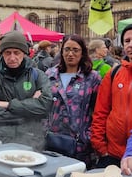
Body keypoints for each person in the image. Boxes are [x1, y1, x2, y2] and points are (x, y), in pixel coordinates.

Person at [0, 30, 52, 148]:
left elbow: (45, 107)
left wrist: (8, 105)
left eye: (16, 52)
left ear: (24, 53)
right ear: (2, 53)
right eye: (8, 53)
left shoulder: (38, 75)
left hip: (31, 141)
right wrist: (29, 111)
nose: (12, 57)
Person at [45, 34, 101, 167]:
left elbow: (99, 110)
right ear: (62, 51)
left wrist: (88, 135)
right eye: (67, 49)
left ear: (83, 53)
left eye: (75, 50)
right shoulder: (50, 75)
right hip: (52, 141)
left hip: (79, 145)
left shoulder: (92, 78)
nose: (70, 54)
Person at [91, 24, 132, 169]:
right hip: (112, 154)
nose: (130, 45)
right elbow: (100, 111)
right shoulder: (114, 73)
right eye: (127, 41)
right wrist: (101, 148)